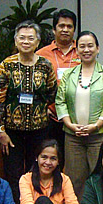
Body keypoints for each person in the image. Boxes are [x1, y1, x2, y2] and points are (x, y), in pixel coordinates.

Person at [0, 21, 58, 204]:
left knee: (36, 173)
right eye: (22, 38)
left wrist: (41, 108)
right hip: (11, 132)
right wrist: (1, 131)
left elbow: (53, 92)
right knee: (13, 174)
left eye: (31, 38)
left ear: (38, 42)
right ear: (15, 41)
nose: (26, 42)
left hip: (39, 130)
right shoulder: (7, 65)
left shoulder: (45, 65)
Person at [56, 31, 103, 196]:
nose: (86, 50)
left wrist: (95, 126)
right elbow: (60, 101)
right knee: (74, 178)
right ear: (77, 50)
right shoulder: (69, 74)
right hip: (72, 136)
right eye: (82, 46)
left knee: (100, 176)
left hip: (100, 135)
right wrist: (69, 124)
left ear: (98, 49)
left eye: (90, 46)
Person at [37, 9, 81, 150]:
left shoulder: (82, 51)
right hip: (50, 117)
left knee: (73, 162)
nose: (65, 30)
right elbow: (34, 86)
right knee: (49, 158)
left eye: (69, 26)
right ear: (54, 29)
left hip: (77, 118)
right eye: (61, 26)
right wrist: (43, 108)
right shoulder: (41, 54)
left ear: (74, 29)